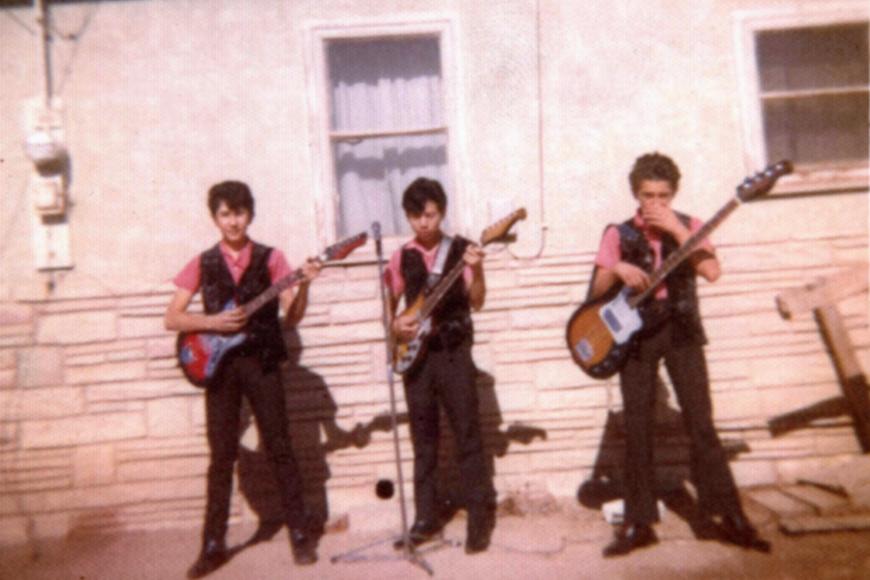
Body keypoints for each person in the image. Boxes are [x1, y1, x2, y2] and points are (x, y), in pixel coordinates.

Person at [588, 153, 770, 557]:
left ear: (674, 195)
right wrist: (617, 269)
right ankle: (638, 523)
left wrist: (675, 229)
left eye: (664, 196)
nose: (656, 203)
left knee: (701, 422)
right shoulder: (617, 233)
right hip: (635, 337)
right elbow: (597, 290)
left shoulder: (689, 225)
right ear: (636, 194)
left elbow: (712, 272)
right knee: (636, 426)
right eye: (648, 195)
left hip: (682, 332)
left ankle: (729, 517)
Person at [164, 181, 322, 578]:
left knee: (280, 445)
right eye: (224, 214)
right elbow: (173, 317)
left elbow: (294, 315)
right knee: (221, 455)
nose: (232, 222)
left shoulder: (273, 258)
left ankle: (300, 534)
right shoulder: (203, 261)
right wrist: (211, 321)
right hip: (220, 368)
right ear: (215, 218)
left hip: (262, 362)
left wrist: (304, 286)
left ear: (250, 214)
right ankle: (212, 545)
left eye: (239, 213)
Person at [385, 177, 496, 554]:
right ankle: (425, 518)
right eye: (415, 216)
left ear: (442, 212)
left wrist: (477, 271)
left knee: (467, 435)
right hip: (416, 358)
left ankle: (480, 519)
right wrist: (395, 324)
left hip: (453, 353)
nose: (423, 223)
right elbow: (388, 302)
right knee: (423, 441)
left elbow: (477, 301)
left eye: (429, 215)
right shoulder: (401, 256)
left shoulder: (463, 250)